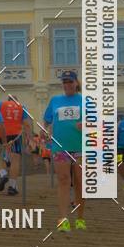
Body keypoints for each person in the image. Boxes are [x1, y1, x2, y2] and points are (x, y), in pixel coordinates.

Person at [43, 70, 86, 232]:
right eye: (64, 82)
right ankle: (63, 218)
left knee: (80, 183)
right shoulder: (55, 100)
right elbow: (47, 120)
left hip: (81, 148)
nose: (67, 85)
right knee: (63, 179)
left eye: (70, 82)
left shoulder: (85, 101)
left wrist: (86, 126)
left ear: (76, 83)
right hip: (60, 147)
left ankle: (80, 218)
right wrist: (46, 130)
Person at [0, 94, 32, 196]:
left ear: (8, 100)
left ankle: (3, 174)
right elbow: (26, 123)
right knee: (15, 160)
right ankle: (12, 186)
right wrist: (30, 138)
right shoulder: (21, 106)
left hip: (2, 133)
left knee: (1, 157)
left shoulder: (1, 104)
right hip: (16, 134)